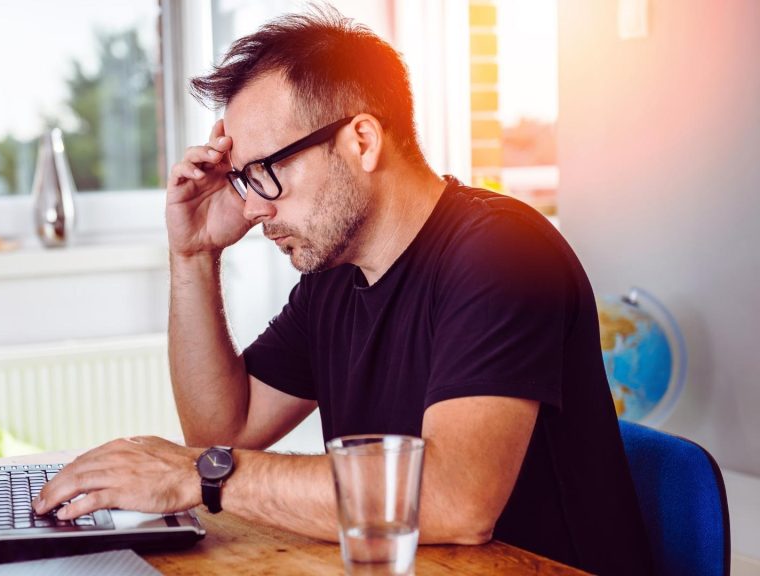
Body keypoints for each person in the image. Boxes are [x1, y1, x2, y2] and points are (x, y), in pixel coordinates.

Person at [34, 8, 652, 575]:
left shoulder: (503, 254)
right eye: (243, 180)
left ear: (361, 139)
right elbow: (224, 428)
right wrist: (193, 252)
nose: (253, 209)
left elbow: (456, 501)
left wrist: (196, 476)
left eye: (264, 173)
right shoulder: (335, 277)